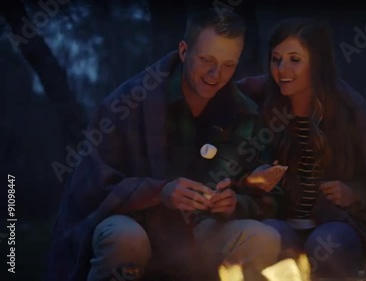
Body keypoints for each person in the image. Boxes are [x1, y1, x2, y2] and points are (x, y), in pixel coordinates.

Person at [45, 8, 284, 281]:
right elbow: (93, 186)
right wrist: (159, 192)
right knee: (125, 239)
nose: (215, 74)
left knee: (263, 238)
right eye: (206, 60)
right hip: (136, 222)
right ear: (184, 51)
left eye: (228, 64)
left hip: (196, 232)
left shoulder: (241, 112)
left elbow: (260, 193)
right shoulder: (130, 103)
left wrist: (234, 202)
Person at [236, 17, 366, 279]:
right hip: (281, 220)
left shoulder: (349, 112)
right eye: (276, 59)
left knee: (326, 244)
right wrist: (252, 180)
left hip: (338, 223)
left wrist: (354, 194)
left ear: (317, 64)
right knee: (268, 237)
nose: (282, 69)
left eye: (295, 60)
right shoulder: (261, 105)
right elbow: (232, 164)